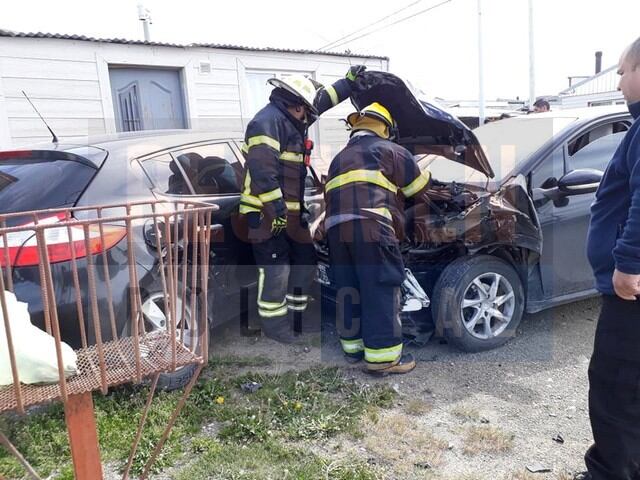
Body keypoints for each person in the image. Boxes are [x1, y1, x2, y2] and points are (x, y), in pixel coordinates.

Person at [240, 66, 367, 343]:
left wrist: (348, 83)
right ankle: (275, 327)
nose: (310, 115)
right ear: (295, 105)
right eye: (306, 110)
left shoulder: (292, 119)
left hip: (291, 215)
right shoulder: (266, 123)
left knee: (304, 263)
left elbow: (321, 101)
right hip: (264, 214)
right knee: (276, 270)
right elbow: (263, 173)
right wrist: (277, 213)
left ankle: (298, 318)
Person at [324, 102, 431, 375]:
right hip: (371, 228)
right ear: (385, 128)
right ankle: (383, 359)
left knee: (349, 288)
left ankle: (353, 350)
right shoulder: (391, 151)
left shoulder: (339, 159)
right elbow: (418, 189)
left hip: (335, 231)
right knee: (380, 288)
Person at [579, 36, 640, 480]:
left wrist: (629, 263)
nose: (618, 82)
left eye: (622, 71)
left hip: (629, 294)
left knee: (614, 386)